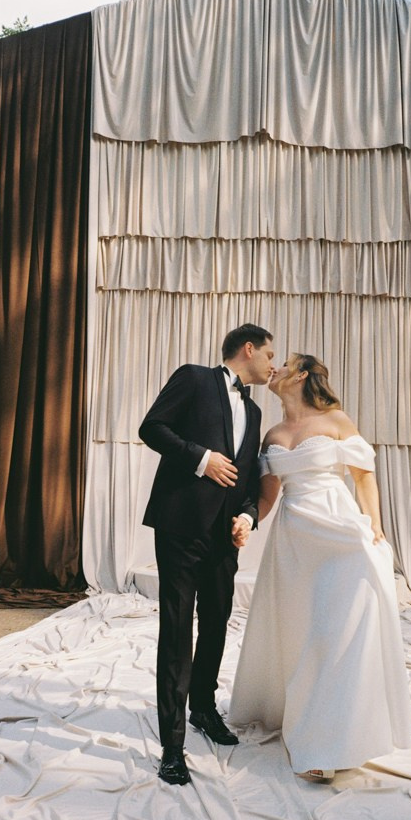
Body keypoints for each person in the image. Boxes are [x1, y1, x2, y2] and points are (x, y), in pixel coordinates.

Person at [228, 353, 411, 779]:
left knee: (336, 633)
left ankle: (326, 744)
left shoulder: (335, 420)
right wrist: (246, 520)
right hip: (294, 542)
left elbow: (363, 476)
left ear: (304, 374)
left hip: (342, 535)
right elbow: (268, 496)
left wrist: (376, 529)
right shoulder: (271, 433)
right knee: (303, 633)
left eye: (286, 362)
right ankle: (306, 714)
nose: (275, 369)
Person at [139, 324, 275, 785]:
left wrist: (247, 517)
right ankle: (172, 747)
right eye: (270, 354)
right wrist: (201, 459)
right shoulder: (194, 378)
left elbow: (248, 480)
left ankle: (203, 708)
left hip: (223, 536)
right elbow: (152, 427)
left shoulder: (255, 412)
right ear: (249, 348)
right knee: (177, 630)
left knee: (217, 620)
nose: (273, 364)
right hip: (179, 526)